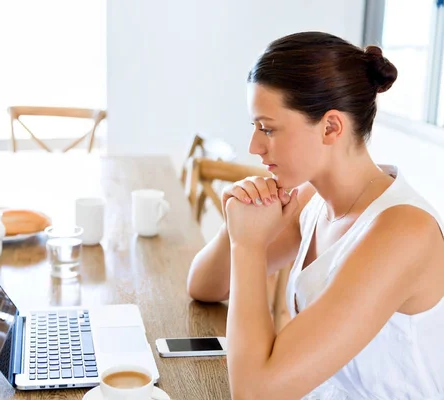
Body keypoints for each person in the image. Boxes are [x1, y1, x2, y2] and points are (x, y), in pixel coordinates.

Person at [186, 31, 444, 400]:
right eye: (255, 127)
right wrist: (236, 225)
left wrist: (249, 245)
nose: (254, 147)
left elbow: (254, 391)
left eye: (268, 128)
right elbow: (205, 286)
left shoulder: (404, 232)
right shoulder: (311, 200)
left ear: (331, 127)